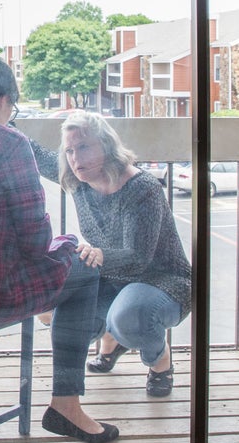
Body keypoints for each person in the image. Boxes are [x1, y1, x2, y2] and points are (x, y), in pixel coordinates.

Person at [0, 56, 117, 442]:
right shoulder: (8, 143)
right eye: (13, 109)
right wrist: (68, 243)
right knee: (84, 269)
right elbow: (36, 242)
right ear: (3, 100)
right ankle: (65, 406)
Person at [29, 111, 192, 397]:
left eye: (84, 147)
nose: (76, 158)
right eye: (69, 150)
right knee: (54, 307)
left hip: (161, 280)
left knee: (131, 317)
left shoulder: (142, 188)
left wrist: (100, 255)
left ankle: (161, 363)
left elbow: (139, 257)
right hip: (113, 279)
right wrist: (1, 122)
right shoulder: (78, 178)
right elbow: (37, 155)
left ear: (106, 146)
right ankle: (112, 340)